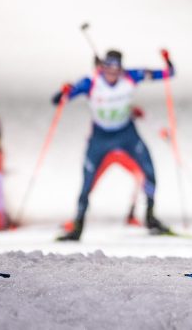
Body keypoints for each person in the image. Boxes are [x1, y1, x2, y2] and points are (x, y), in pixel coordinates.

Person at [53, 48, 176, 241]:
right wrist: (65, 91)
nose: (112, 72)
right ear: (102, 67)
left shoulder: (131, 76)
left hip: (126, 133)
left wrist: (168, 63)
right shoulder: (91, 81)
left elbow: (168, 74)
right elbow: (58, 100)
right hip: (100, 137)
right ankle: (77, 226)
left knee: (149, 170)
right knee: (87, 180)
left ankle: (151, 217)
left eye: (116, 67)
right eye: (108, 66)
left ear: (121, 68)